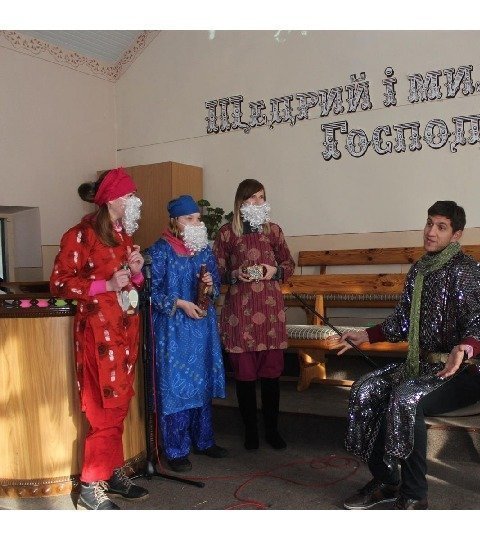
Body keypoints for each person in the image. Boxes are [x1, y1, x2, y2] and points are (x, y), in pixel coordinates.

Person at [333, 201, 480, 510]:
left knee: (406, 398)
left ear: (456, 235)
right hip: (422, 366)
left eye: (441, 227)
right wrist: (366, 335)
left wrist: (464, 348)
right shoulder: (419, 270)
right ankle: (387, 481)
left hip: (463, 374)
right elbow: (403, 321)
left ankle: (414, 495)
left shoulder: (466, 270)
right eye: (429, 223)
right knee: (365, 389)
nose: (431, 232)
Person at [50, 167, 149, 510]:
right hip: (97, 334)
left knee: (119, 406)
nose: (135, 200)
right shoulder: (80, 235)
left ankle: (112, 471)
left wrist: (136, 273)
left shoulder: (124, 236)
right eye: (130, 195)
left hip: (125, 331)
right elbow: (59, 283)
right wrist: (104, 285)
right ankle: (91, 486)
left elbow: (130, 286)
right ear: (112, 200)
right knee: (103, 409)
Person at [146, 195, 228, 473]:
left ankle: (204, 440)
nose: (196, 223)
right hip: (173, 331)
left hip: (201, 328)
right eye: (189, 218)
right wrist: (180, 303)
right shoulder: (159, 251)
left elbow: (216, 287)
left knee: (201, 383)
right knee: (176, 386)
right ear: (175, 221)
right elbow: (150, 292)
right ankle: (176, 449)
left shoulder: (204, 251)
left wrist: (209, 285)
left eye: (198, 218)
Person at [213, 179, 296, 451]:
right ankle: (250, 431)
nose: (257, 202)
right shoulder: (227, 233)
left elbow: (288, 263)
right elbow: (216, 272)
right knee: (245, 376)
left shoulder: (274, 231)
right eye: (251, 198)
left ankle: (272, 430)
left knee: (271, 375)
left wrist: (275, 271)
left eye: (261, 197)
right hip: (240, 313)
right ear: (240, 202)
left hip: (270, 312)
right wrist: (235, 274)